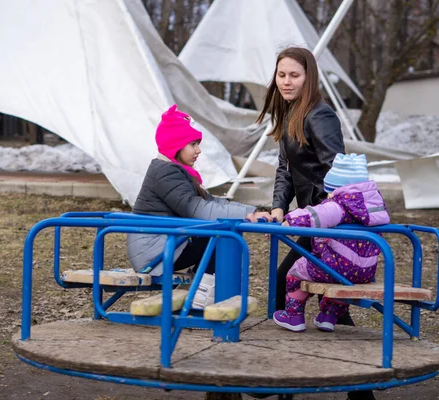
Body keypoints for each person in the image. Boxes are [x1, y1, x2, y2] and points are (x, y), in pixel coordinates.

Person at [255, 47, 376, 400]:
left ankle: (283, 381)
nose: (287, 81)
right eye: (281, 75)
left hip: (329, 225)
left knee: (297, 284)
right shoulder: (292, 113)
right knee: (331, 301)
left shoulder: (319, 115)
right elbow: (285, 170)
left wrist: (322, 213)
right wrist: (279, 207)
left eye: (294, 75)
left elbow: (336, 172)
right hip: (314, 223)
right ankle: (355, 389)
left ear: (309, 77)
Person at [127, 104, 272, 307]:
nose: (198, 150)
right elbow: (197, 208)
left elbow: (210, 202)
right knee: (218, 239)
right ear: (176, 146)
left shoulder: (175, 171)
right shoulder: (165, 173)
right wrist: (246, 213)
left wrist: (252, 211)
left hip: (166, 242)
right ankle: (201, 300)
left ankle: (198, 291)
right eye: (193, 144)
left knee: (218, 237)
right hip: (154, 250)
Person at [273, 153, 390, 332]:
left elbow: (313, 215)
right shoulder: (373, 207)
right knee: (341, 280)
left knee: (296, 271)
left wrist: (290, 221)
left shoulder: (338, 206)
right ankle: (328, 316)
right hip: (365, 271)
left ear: (336, 189)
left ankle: (293, 315)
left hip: (336, 266)